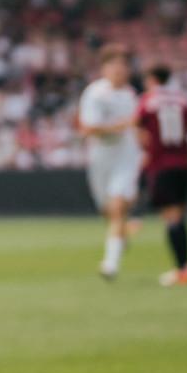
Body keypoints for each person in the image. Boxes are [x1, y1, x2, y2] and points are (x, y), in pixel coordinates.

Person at [135, 65, 187, 287]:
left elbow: (137, 129)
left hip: (161, 165)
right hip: (183, 164)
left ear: (152, 79)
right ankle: (186, 265)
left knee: (171, 217)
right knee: (180, 214)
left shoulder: (148, 101)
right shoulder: (183, 99)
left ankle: (182, 269)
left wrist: (145, 151)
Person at [76, 47, 140, 281]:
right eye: (114, 65)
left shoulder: (132, 95)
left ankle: (110, 264)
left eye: (123, 66)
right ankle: (120, 236)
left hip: (126, 157)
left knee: (117, 207)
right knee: (107, 210)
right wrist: (122, 125)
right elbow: (89, 128)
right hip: (101, 159)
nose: (119, 70)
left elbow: (138, 128)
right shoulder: (94, 94)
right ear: (104, 69)